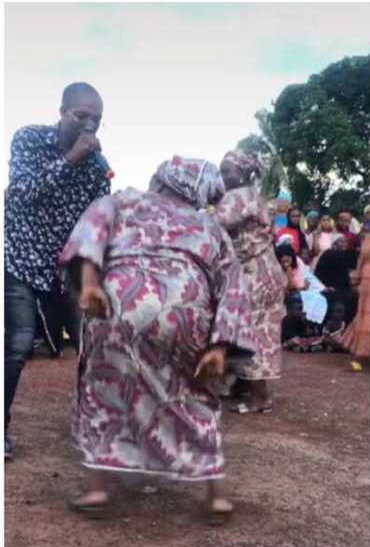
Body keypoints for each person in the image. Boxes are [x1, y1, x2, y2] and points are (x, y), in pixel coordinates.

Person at [59, 156, 250, 524]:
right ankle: (217, 498)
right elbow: (232, 285)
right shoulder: (207, 225)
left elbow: (91, 231)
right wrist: (221, 344)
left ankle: (98, 488)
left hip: (118, 300)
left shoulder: (124, 200)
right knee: (195, 397)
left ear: (161, 180)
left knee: (104, 391)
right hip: (186, 308)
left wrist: (88, 284)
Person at [5, 82, 111, 461]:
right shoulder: (29, 140)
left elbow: (101, 216)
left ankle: (92, 425)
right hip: (21, 261)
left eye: (96, 120)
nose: (89, 125)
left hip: (65, 269)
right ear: (62, 111)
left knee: (91, 345)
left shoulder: (96, 165)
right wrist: (70, 159)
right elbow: (22, 190)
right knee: (17, 345)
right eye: (81, 115)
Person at [214, 149, 285, 415]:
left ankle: (260, 397)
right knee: (254, 329)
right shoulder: (257, 197)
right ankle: (240, 386)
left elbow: (215, 224)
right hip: (266, 269)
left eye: (226, 171)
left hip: (253, 273)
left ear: (242, 173)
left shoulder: (236, 197)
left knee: (251, 332)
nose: (222, 177)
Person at [341, 233, 370, 371]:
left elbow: (363, 257)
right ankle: (363, 354)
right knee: (366, 313)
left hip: (369, 274)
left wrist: (356, 276)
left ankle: (365, 354)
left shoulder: (369, 237)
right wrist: (357, 276)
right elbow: (362, 258)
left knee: (367, 314)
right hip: (368, 276)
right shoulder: (368, 237)